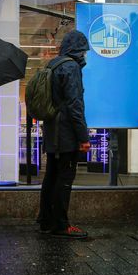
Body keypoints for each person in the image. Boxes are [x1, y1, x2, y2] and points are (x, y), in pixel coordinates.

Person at [37, 30, 91, 239]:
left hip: (51, 131)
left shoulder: (53, 65)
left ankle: (45, 220)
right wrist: (83, 137)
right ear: (78, 50)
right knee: (65, 178)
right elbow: (75, 105)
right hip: (65, 134)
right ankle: (61, 224)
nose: (85, 55)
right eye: (84, 51)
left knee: (51, 176)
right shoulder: (71, 68)